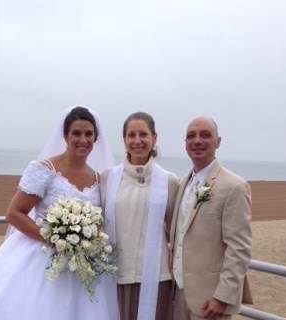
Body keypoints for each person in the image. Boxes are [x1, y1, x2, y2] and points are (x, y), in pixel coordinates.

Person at [0, 106, 119, 320]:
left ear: (96, 138)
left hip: (80, 262)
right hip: (40, 257)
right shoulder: (45, 169)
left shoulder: (98, 178)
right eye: (76, 133)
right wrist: (54, 238)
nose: (83, 140)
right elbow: (15, 213)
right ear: (65, 136)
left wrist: (85, 241)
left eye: (89, 134)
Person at [170, 117, 252, 320]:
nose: (197, 140)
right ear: (185, 144)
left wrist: (222, 297)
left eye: (205, 135)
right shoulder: (182, 184)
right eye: (191, 136)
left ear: (218, 141)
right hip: (177, 296)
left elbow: (239, 248)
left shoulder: (233, 186)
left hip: (209, 303)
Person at [101, 112, 179, 320]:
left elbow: (175, 232)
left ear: (154, 138)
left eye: (143, 134)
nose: (137, 141)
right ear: (124, 139)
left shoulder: (169, 181)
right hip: (116, 276)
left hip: (156, 278)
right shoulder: (108, 178)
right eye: (131, 135)